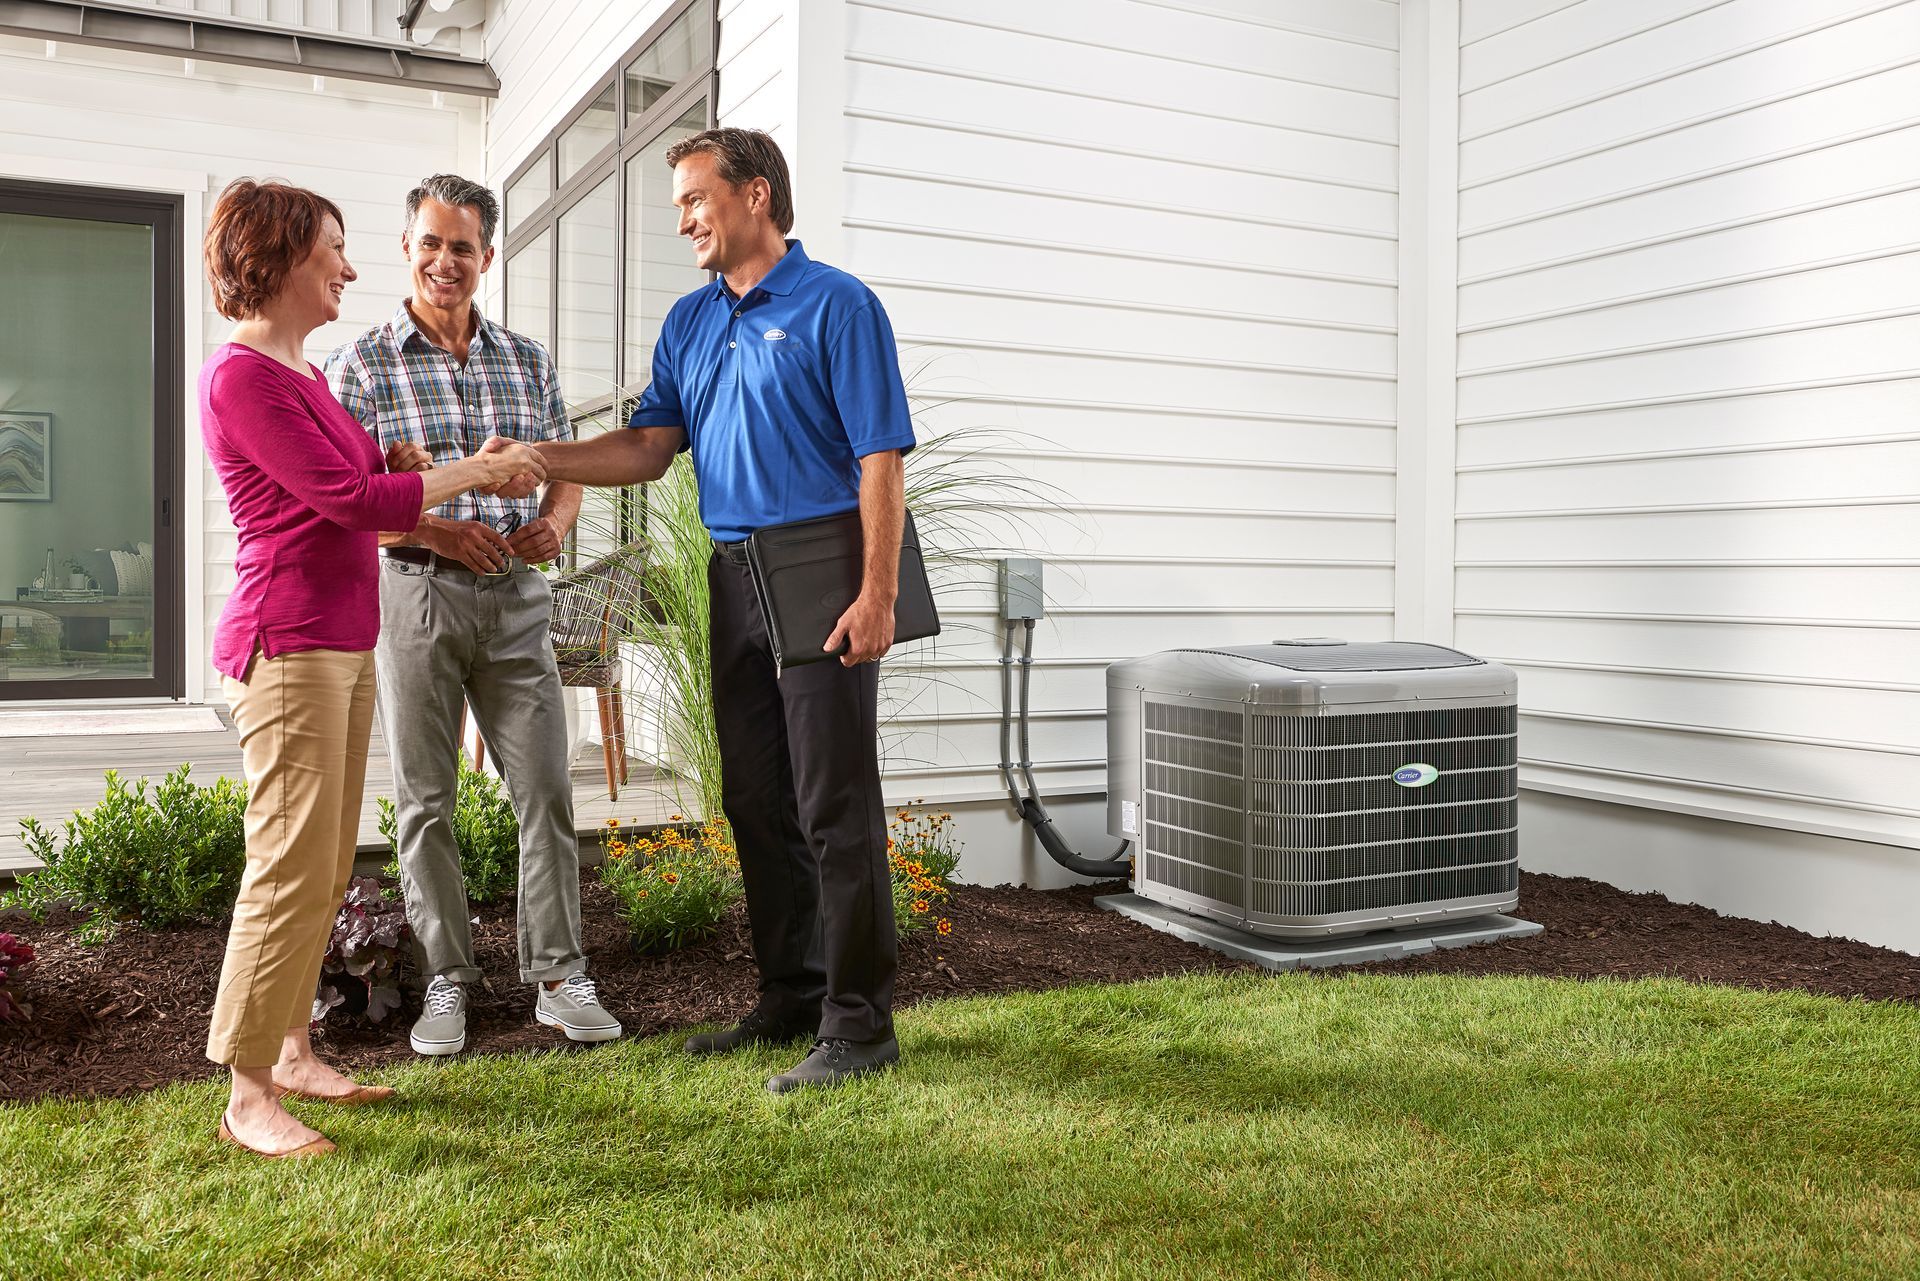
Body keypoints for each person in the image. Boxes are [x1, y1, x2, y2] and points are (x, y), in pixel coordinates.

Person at [504, 128, 915, 1093]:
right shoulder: (690, 323)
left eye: (696, 198)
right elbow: (651, 448)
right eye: (680, 202)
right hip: (732, 575)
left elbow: (881, 458)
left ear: (756, 195)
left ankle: (860, 1023)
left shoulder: (838, 306)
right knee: (753, 796)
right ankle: (792, 996)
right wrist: (541, 457)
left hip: (824, 564)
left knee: (833, 803)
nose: (683, 218)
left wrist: (878, 592)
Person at [200, 178, 546, 1157]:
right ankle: (246, 1092)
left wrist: (417, 469)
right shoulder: (241, 378)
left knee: (323, 865)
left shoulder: (304, 374)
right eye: (333, 253)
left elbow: (373, 485)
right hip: (288, 640)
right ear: (279, 258)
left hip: (344, 635)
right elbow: (352, 498)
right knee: (285, 865)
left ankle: (295, 1050)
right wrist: (475, 472)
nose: (350, 270)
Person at [325, 174, 622, 1058]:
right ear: (407, 249)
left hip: (517, 602)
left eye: (462, 247)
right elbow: (348, 499)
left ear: (486, 257)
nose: (444, 262)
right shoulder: (363, 364)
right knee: (426, 798)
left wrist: (555, 523)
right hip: (416, 590)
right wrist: (438, 534)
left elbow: (566, 463)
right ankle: (447, 975)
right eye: (430, 243)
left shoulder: (526, 360)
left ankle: (559, 975)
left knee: (546, 788)